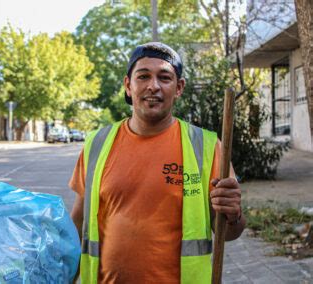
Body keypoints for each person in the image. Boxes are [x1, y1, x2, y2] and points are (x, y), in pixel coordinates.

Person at [69, 42, 246, 284]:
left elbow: (229, 233)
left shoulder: (206, 146)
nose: (153, 86)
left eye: (164, 77)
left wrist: (233, 214)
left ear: (179, 87)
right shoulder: (96, 144)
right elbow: (77, 224)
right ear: (128, 86)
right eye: (143, 76)